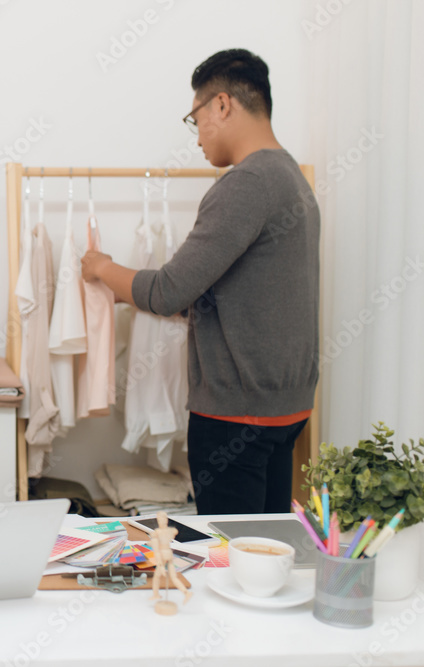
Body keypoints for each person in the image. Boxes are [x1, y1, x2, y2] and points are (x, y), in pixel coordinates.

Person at [81, 49, 319, 515]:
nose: (197, 140)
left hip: (236, 416)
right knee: (265, 549)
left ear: (223, 105)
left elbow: (170, 289)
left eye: (196, 120)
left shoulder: (245, 184)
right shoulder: (292, 178)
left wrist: (102, 269)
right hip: (285, 409)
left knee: (229, 556)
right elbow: (232, 295)